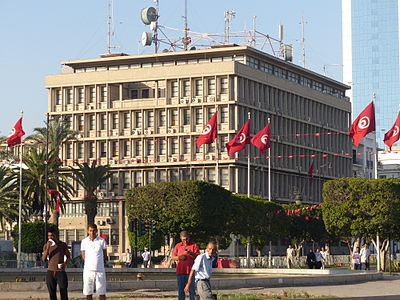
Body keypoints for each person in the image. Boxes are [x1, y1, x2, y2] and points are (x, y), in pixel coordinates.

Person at [42, 228, 71, 300]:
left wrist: (65, 263)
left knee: (63, 291)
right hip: (50, 271)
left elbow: (68, 256)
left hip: (60, 271)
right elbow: (43, 259)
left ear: (56, 235)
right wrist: (48, 248)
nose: (50, 238)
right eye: (49, 236)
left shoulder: (62, 244)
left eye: (52, 236)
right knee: (52, 293)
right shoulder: (46, 245)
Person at [81, 224, 107, 300]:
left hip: (100, 270)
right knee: (88, 292)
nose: (92, 232)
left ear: (96, 231)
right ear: (88, 231)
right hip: (88, 271)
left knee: (102, 292)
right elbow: (83, 254)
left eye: (93, 230)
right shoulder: (84, 241)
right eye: (90, 231)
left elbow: (105, 254)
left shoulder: (101, 241)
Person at [171, 231, 200, 300]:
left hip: (191, 273)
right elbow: (172, 257)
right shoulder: (178, 246)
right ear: (180, 238)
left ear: (189, 238)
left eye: (187, 239)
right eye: (183, 239)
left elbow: (199, 257)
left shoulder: (194, 245)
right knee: (181, 292)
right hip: (180, 272)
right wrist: (179, 257)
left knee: (192, 292)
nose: (185, 241)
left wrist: (191, 253)